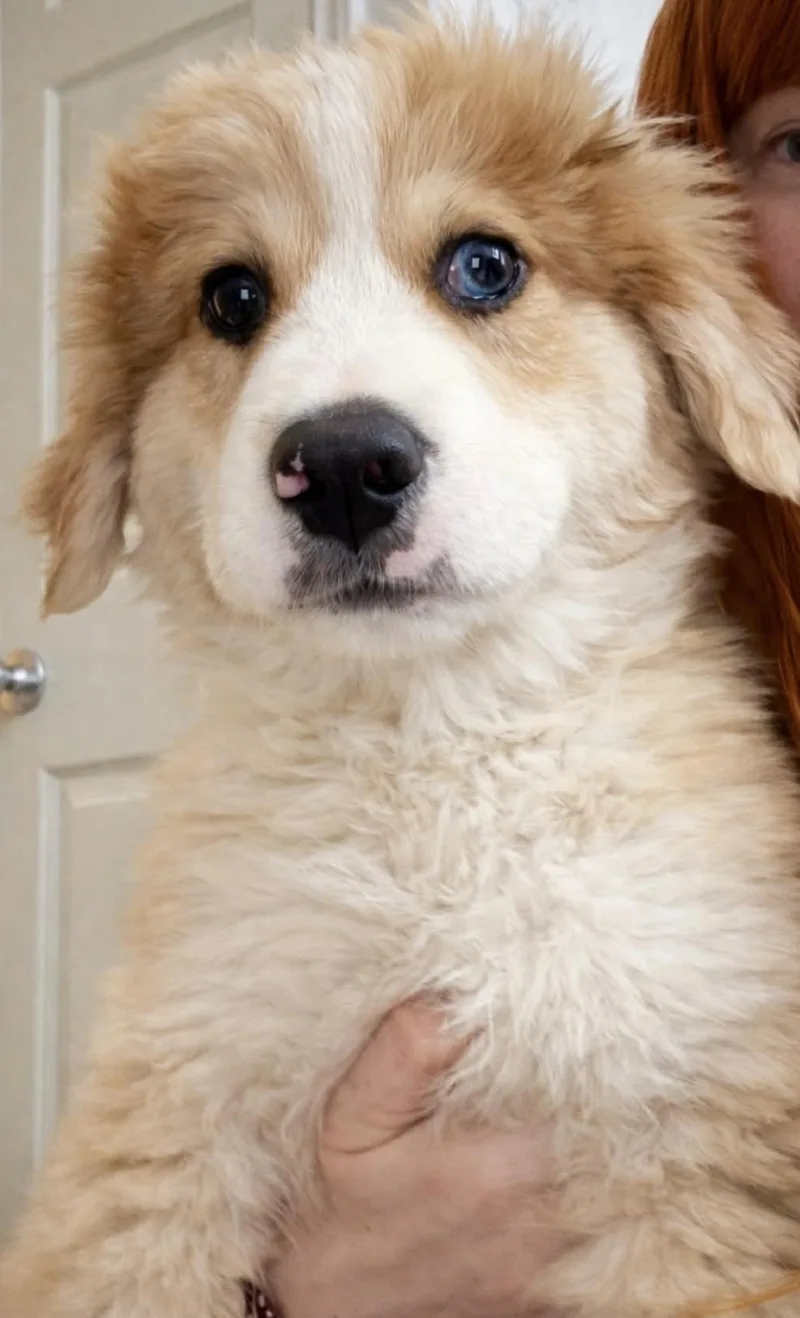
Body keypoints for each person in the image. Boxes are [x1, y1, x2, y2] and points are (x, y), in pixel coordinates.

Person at [257, 1, 800, 1313]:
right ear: (701, 215)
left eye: (480, 272)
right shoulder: (540, 619)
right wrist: (288, 1290)